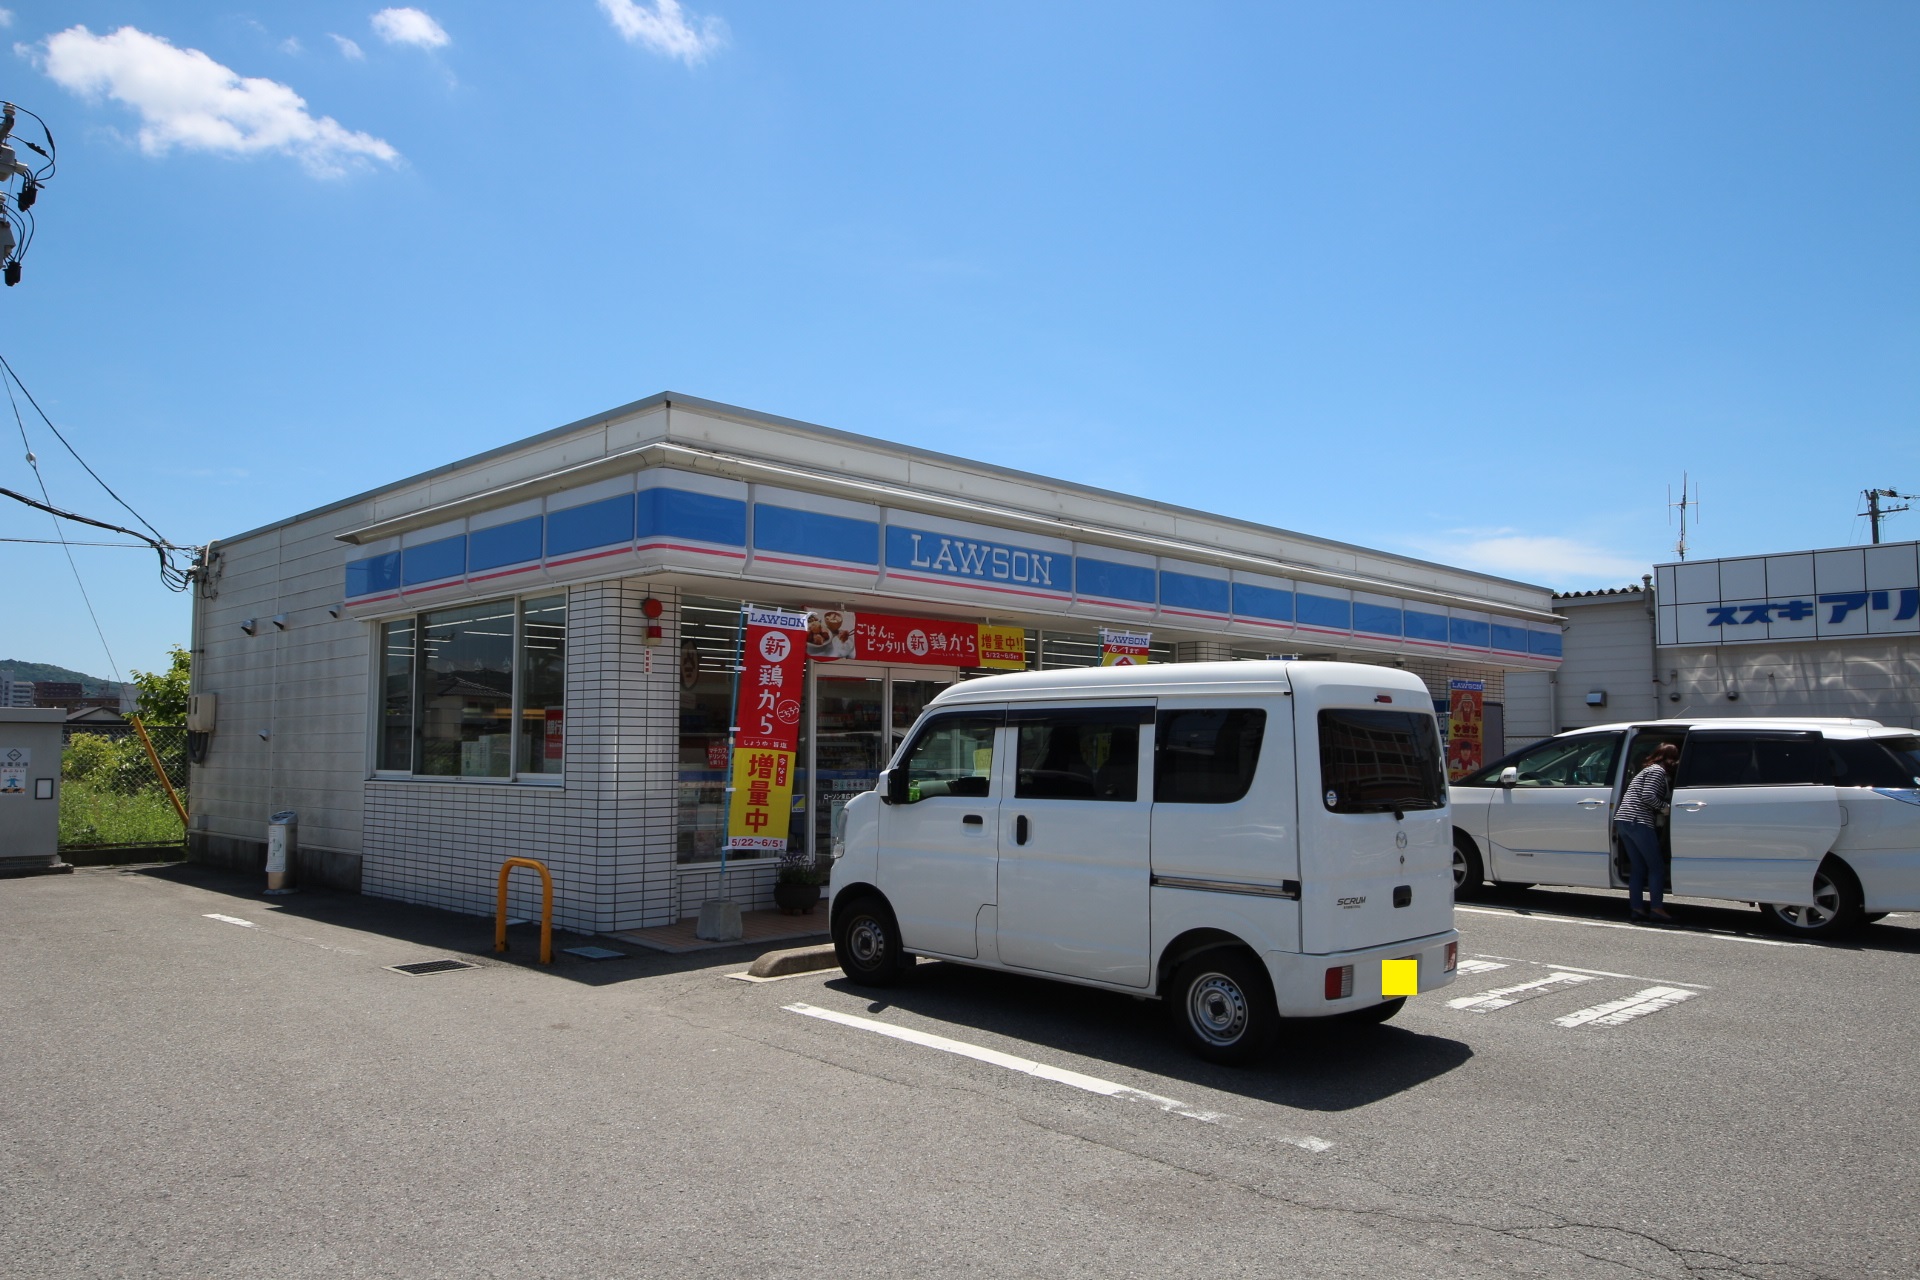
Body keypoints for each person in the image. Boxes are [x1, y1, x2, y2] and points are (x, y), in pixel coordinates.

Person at [1615, 742, 1680, 923]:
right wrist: (1665, 807)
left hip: (1624, 820)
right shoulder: (1657, 772)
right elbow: (1648, 796)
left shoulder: (1647, 770)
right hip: (1639, 821)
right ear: (1669, 758)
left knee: (1639, 867)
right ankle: (1656, 908)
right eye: (1675, 758)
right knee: (1656, 867)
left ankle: (1636, 909)